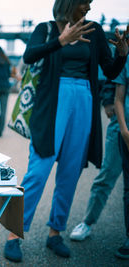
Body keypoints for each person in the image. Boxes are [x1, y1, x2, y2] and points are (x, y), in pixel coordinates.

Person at [3, 0, 128, 262]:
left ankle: (55, 232)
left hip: (83, 98)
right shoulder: (46, 29)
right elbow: (29, 56)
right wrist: (61, 40)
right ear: (70, 2)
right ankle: (14, 235)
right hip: (52, 101)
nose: (89, 8)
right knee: (38, 170)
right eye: (85, 3)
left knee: (70, 171)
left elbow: (109, 70)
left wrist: (122, 55)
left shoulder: (93, 31)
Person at [69, 78, 122, 241]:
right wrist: (107, 100)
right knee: (107, 174)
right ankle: (87, 222)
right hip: (121, 123)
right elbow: (112, 74)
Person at [114, 53, 129, 259]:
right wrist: (124, 131)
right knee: (128, 187)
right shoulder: (127, 60)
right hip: (127, 134)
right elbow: (118, 99)